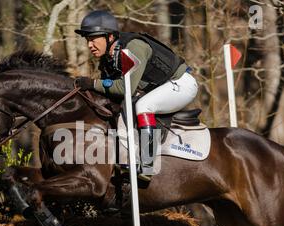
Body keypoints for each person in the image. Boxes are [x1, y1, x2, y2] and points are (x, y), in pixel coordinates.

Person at [74, 10, 198, 181]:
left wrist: (93, 84)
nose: (89, 45)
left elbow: (125, 89)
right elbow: (111, 92)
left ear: (110, 37)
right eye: (88, 40)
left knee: (143, 106)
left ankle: (147, 164)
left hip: (181, 84)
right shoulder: (108, 58)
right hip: (161, 87)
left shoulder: (133, 47)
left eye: (93, 39)